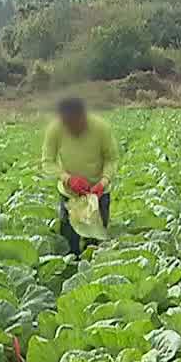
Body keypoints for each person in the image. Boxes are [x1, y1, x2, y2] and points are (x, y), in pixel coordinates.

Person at [41, 97, 119, 257]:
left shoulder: (101, 128)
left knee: (97, 245)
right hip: (70, 197)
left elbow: (112, 159)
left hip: (98, 195)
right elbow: (47, 162)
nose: (73, 127)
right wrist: (67, 178)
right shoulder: (55, 129)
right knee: (69, 245)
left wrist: (103, 182)